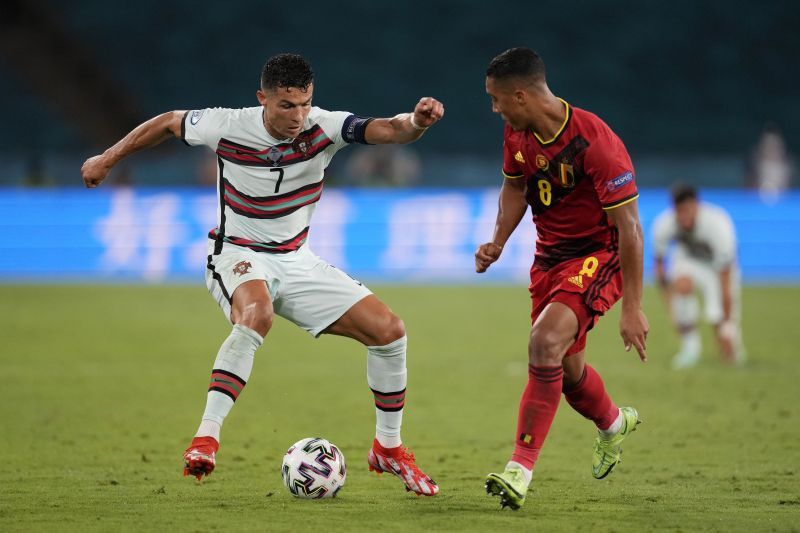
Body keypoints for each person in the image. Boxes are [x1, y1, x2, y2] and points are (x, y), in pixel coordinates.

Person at [81, 53, 444, 496]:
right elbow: (167, 122)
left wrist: (418, 120)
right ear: (263, 99)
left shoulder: (325, 127)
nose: (299, 116)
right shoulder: (227, 125)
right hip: (237, 253)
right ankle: (206, 438)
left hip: (297, 259)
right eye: (286, 105)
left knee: (390, 332)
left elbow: (390, 129)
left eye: (305, 104)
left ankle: (388, 448)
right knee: (257, 314)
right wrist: (108, 157)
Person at [475, 47, 649, 510]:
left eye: (496, 99)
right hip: (549, 260)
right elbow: (515, 187)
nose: (494, 109)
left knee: (544, 342)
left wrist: (632, 307)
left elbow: (630, 227)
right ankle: (614, 424)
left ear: (520, 94)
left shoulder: (595, 140)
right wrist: (497, 241)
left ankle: (519, 469)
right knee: (568, 373)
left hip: (599, 254)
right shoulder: (518, 133)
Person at [653, 183, 744, 368]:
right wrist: (671, 307)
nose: (684, 216)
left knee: (719, 322)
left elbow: (725, 278)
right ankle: (690, 349)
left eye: (688, 210)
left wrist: (726, 324)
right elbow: (660, 267)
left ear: (697, 205)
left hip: (718, 270)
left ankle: (731, 350)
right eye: (680, 211)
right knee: (682, 284)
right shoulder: (664, 224)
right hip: (689, 261)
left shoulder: (718, 224)